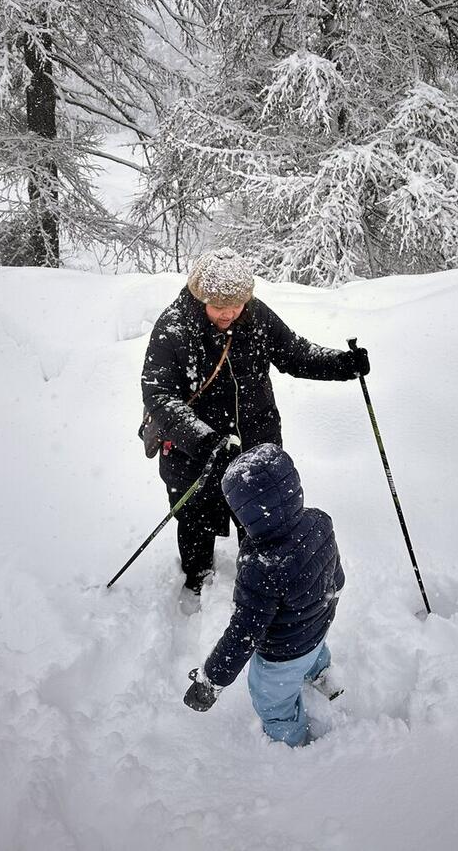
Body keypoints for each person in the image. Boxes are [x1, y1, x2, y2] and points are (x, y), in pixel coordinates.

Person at [140, 246, 368, 613]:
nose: (229, 313)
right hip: (193, 453)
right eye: (219, 307)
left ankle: (258, 583)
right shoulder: (173, 328)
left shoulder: (257, 316)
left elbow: (294, 352)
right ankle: (197, 581)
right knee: (196, 518)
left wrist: (341, 364)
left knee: (261, 519)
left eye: (237, 305)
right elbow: (159, 396)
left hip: (255, 442)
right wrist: (204, 440)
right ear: (200, 299)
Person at [182, 443, 344, 747]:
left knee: (272, 700)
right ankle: (324, 677)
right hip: (318, 626)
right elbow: (336, 575)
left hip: (282, 656)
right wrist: (327, 603)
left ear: (246, 513)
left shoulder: (261, 566)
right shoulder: (319, 521)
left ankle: (291, 741)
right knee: (315, 652)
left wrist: (211, 680)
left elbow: (244, 634)